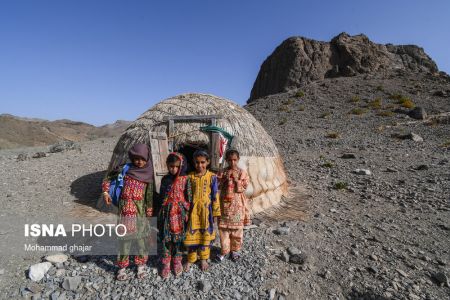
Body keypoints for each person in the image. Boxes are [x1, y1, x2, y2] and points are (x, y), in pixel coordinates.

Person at [102, 143, 154, 280]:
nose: (139, 161)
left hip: (140, 213)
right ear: (132, 157)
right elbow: (108, 177)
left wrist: (149, 212)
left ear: (147, 158)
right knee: (124, 240)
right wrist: (106, 192)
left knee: (141, 239)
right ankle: (122, 267)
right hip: (125, 212)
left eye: (142, 158)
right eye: (136, 158)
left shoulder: (148, 174)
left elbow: (149, 196)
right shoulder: (125, 169)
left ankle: (140, 266)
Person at [183, 150, 221, 271]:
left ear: (208, 162)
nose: (200, 165)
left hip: (206, 211)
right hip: (193, 211)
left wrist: (216, 212)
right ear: (194, 163)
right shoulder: (190, 177)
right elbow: (186, 195)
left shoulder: (212, 177)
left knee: (205, 234)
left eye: (203, 162)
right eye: (197, 162)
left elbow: (215, 195)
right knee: (191, 234)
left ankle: (204, 258)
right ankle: (191, 258)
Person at [157, 152, 191, 279]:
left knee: (178, 239)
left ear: (181, 166)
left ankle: (177, 260)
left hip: (179, 213)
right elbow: (161, 197)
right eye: (171, 166)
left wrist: (187, 211)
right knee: (166, 238)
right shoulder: (165, 179)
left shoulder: (185, 179)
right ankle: (166, 262)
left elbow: (189, 197)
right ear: (167, 165)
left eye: (177, 166)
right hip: (167, 212)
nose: (174, 169)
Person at [216, 149, 251, 261]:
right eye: (230, 160)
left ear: (238, 159)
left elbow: (245, 186)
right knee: (223, 229)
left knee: (237, 228)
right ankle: (224, 250)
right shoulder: (222, 172)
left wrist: (237, 181)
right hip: (225, 205)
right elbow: (217, 185)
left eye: (235, 160)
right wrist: (223, 181)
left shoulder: (242, 173)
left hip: (237, 206)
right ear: (226, 160)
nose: (232, 162)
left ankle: (234, 250)